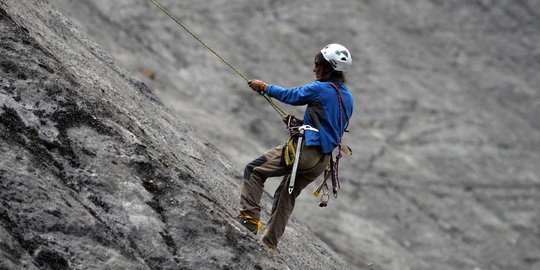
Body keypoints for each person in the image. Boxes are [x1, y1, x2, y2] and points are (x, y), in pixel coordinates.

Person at [237, 44, 354, 252]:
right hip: (322, 160)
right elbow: (329, 124)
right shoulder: (347, 97)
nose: (314, 68)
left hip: (305, 151)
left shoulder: (320, 89)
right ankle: (269, 244)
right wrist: (305, 123)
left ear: (328, 67)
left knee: (254, 170)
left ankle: (248, 221)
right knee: (287, 195)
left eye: (317, 64)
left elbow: (291, 95)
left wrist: (263, 86)